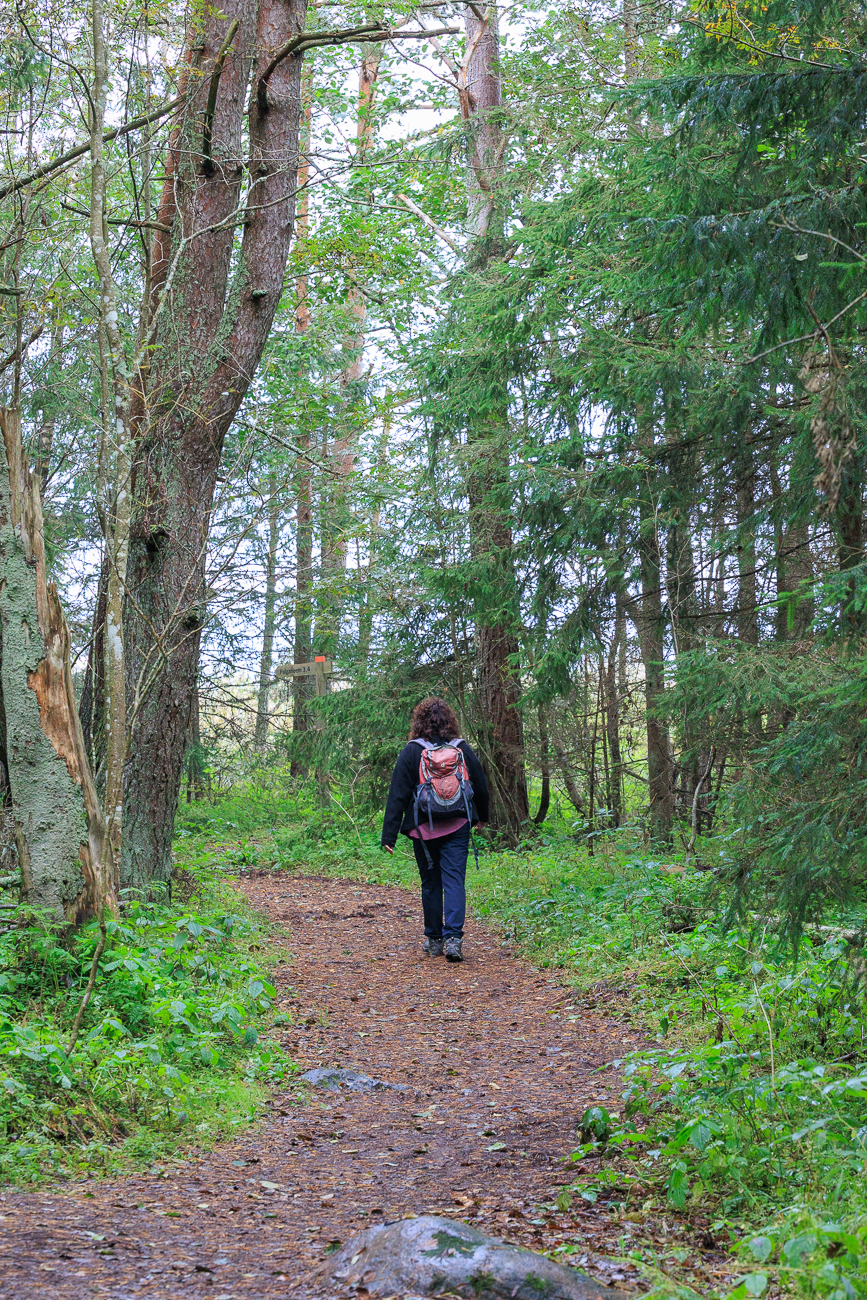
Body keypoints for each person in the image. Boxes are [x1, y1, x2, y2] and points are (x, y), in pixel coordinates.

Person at [381, 697, 489, 963]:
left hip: (423, 829)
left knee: (430, 882)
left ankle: (433, 939)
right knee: (454, 881)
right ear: (450, 721)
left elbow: (397, 794)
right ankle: (454, 940)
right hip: (458, 824)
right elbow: (480, 784)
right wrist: (482, 817)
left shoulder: (412, 751)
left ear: (419, 722)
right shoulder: (461, 748)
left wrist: (389, 835)